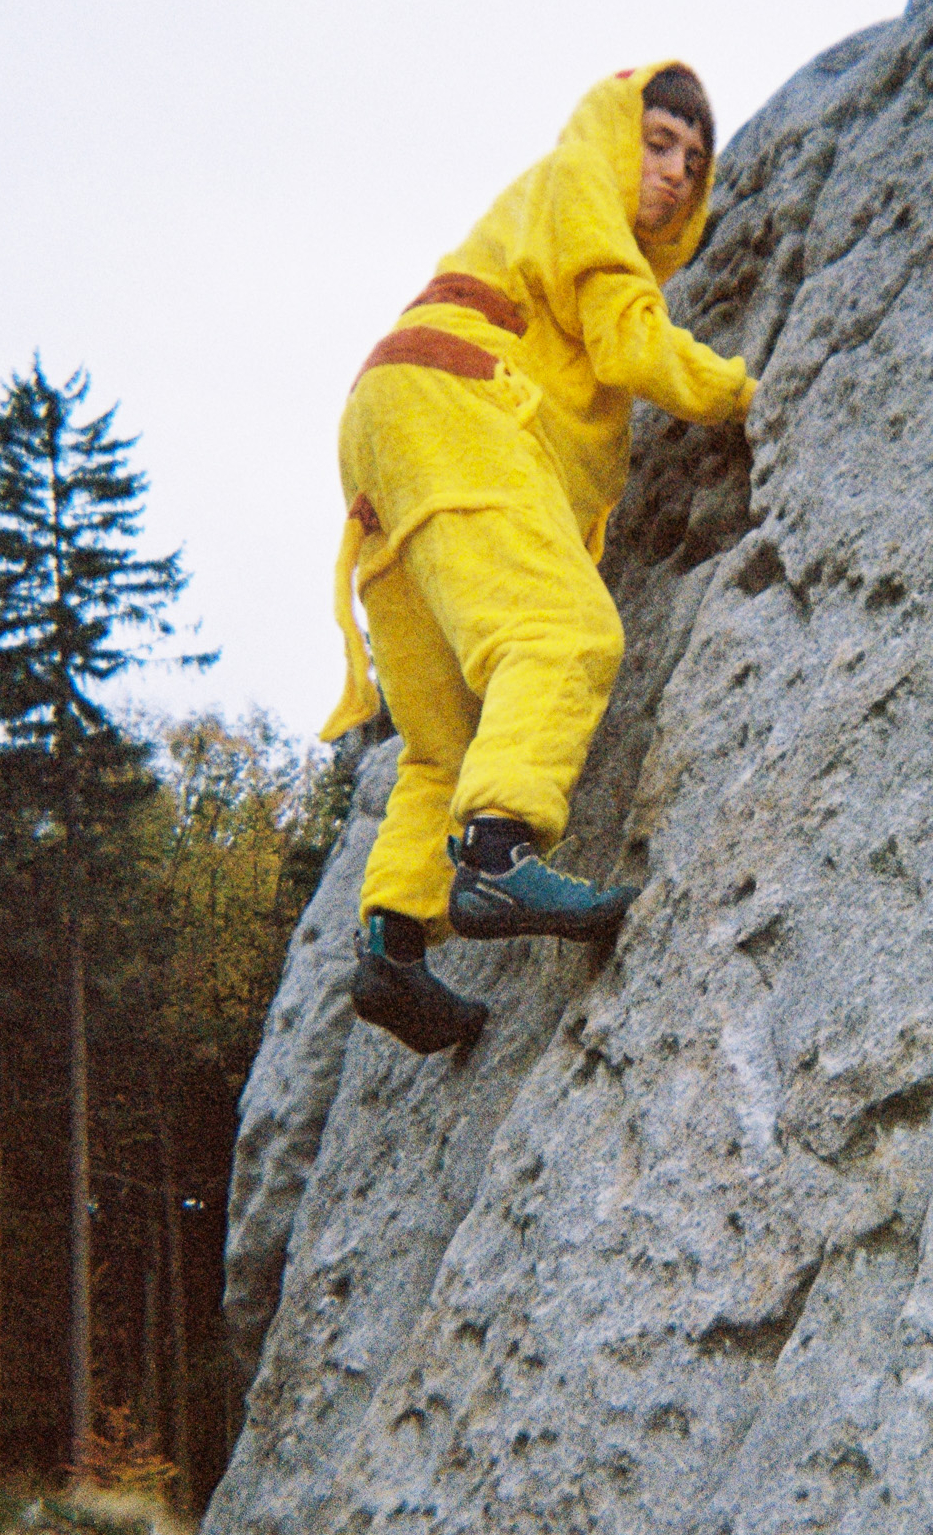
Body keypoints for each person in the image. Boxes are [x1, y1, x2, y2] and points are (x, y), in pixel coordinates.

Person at [320, 62, 756, 1055]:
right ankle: (497, 855)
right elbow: (630, 341)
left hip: (388, 428)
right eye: (657, 143)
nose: (674, 172)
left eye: (693, 162)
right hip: (455, 400)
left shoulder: (541, 207)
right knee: (563, 632)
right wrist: (746, 392)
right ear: (614, 133)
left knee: (443, 737)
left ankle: (392, 947)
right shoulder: (578, 181)